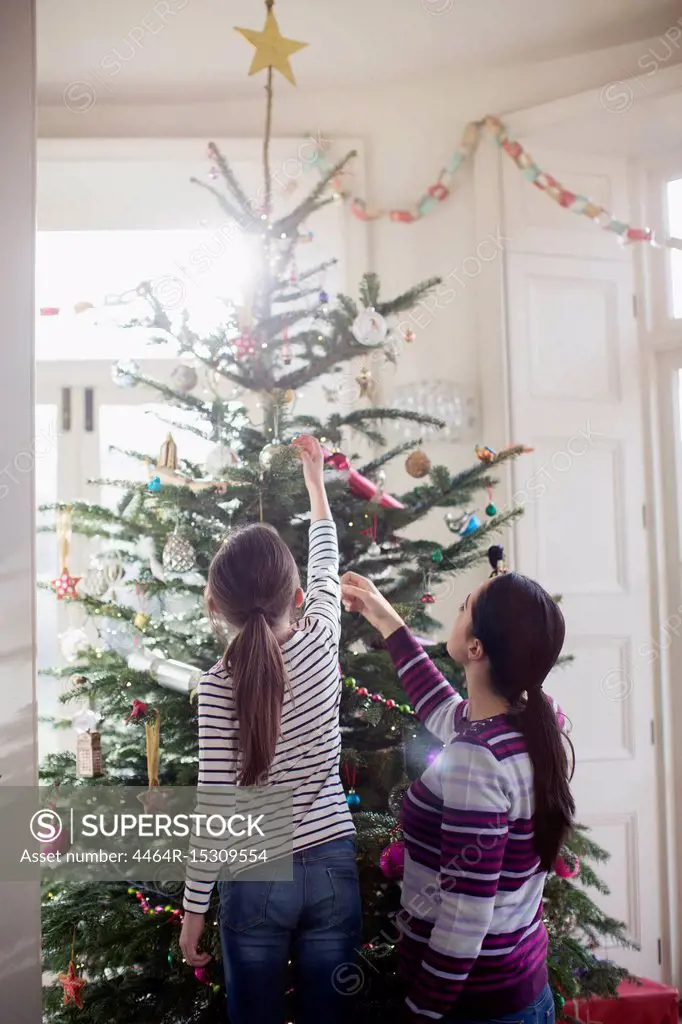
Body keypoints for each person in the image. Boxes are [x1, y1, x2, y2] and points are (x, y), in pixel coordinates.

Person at [340, 567, 575, 1024]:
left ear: (476, 648)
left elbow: (464, 917)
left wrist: (420, 1010)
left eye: (465, 605)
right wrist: (387, 620)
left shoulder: (477, 758)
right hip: (521, 989)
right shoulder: (525, 722)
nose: (457, 609)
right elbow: (442, 708)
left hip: (475, 1005)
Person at [180, 434, 361, 1024]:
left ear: (215, 605)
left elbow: (215, 808)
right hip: (332, 862)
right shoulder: (322, 638)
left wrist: (193, 912)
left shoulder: (214, 687)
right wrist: (316, 485)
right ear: (298, 595)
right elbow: (328, 559)